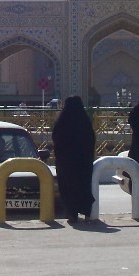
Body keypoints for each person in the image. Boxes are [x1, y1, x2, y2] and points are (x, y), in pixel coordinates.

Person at [51, 95, 96, 223]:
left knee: (68, 186)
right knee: (82, 185)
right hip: (82, 163)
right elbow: (91, 140)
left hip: (66, 163)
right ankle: (86, 211)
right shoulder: (84, 121)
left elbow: (56, 139)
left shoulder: (62, 120)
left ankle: (71, 212)